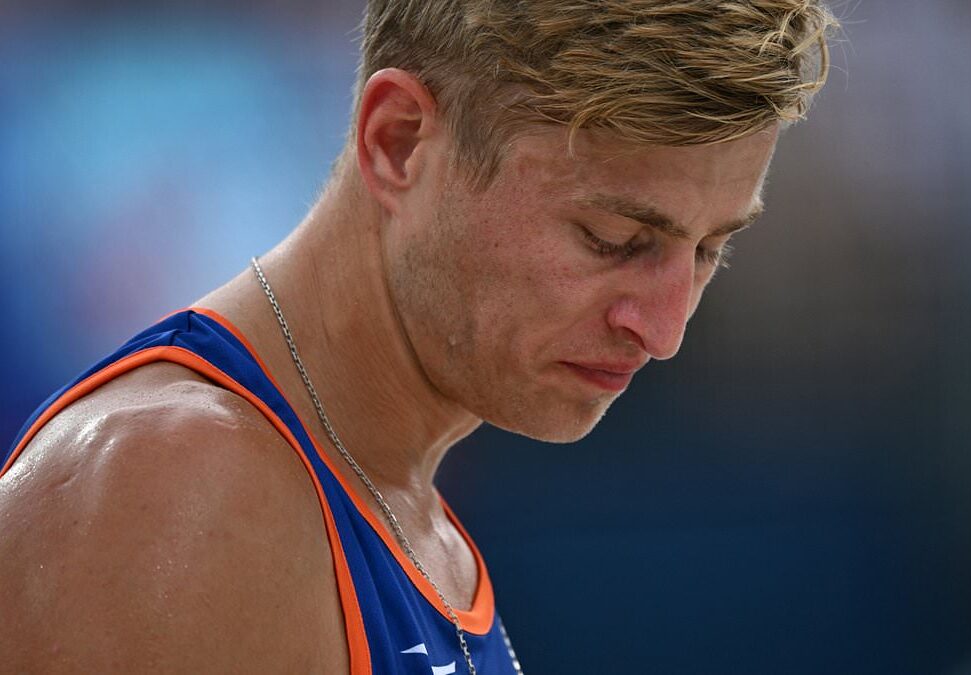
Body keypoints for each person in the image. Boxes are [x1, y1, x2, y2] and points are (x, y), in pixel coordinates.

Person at [0, 1, 838, 672]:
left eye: (708, 251)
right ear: (398, 142)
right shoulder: (185, 488)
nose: (663, 331)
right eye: (612, 239)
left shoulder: (411, 523)